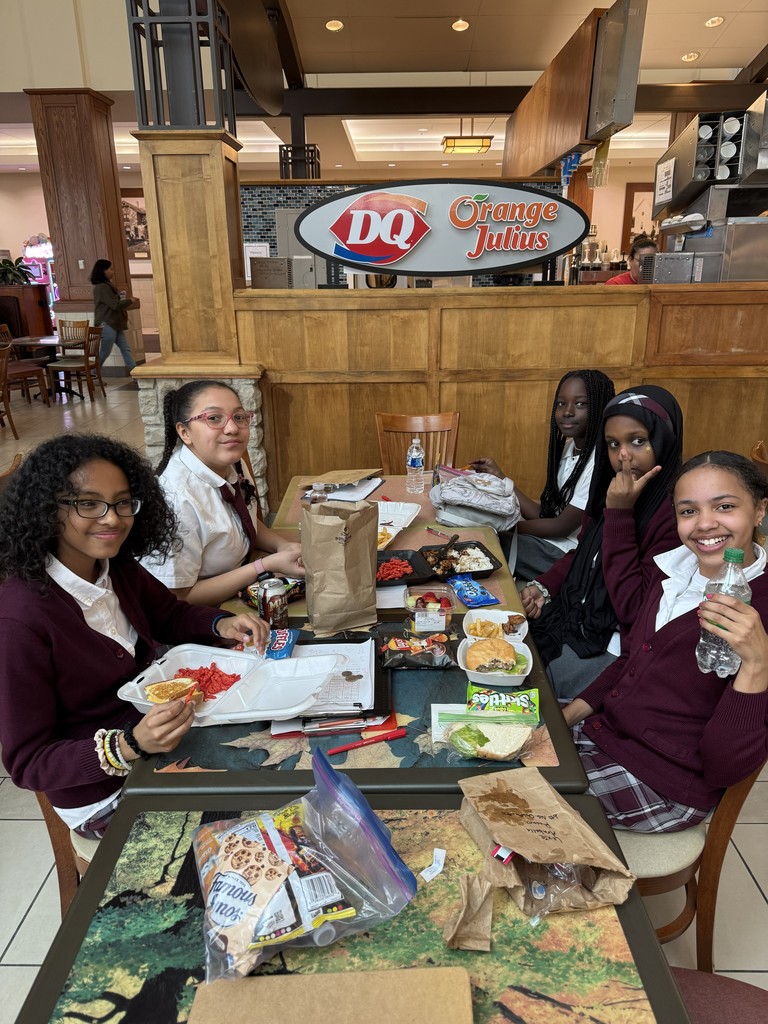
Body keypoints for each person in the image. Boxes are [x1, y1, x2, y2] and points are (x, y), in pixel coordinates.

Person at [0, 435, 270, 837]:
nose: (112, 518)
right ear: (48, 509)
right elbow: (28, 762)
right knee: (270, 819)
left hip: (170, 742)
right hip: (106, 793)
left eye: (123, 502)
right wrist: (128, 745)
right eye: (87, 504)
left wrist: (220, 624)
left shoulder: (114, 566)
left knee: (290, 758)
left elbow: (167, 613)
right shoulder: (19, 619)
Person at [558, 450, 768, 832]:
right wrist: (566, 718)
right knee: (498, 730)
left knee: (508, 796)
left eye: (724, 506)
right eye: (688, 511)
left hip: (664, 783)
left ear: (759, 511)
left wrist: (756, 665)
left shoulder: (760, 609)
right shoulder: (673, 569)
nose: (704, 524)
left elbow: (725, 768)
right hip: (607, 734)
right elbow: (629, 660)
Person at [521, 386, 683, 699]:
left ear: (663, 439)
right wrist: (542, 588)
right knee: (502, 654)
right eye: (613, 444)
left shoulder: (675, 517)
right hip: (572, 616)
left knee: (529, 690)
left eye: (638, 441)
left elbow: (632, 608)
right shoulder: (611, 487)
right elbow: (582, 552)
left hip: (611, 646)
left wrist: (620, 515)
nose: (623, 455)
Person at [141, 380, 304, 605]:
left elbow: (244, 523)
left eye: (239, 417)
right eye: (214, 418)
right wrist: (265, 566)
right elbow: (177, 598)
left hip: (241, 585)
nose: (232, 428)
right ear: (184, 432)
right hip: (201, 615)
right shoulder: (176, 500)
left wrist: (281, 546)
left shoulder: (230, 462)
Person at [471, 369, 616, 579]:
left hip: (575, 557)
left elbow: (560, 527)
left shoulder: (600, 461)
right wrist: (501, 478)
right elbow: (547, 515)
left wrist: (500, 527)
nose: (567, 411)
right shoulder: (569, 448)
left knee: (491, 543)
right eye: (561, 403)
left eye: (581, 404)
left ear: (601, 408)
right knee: (490, 538)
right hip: (555, 543)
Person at [90, 259, 137, 372]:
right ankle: (92, 373)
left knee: (126, 349)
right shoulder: (102, 287)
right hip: (108, 323)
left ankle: (135, 373)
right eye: (110, 269)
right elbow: (114, 305)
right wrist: (129, 301)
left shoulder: (107, 285)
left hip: (114, 323)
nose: (113, 271)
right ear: (103, 271)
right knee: (105, 352)